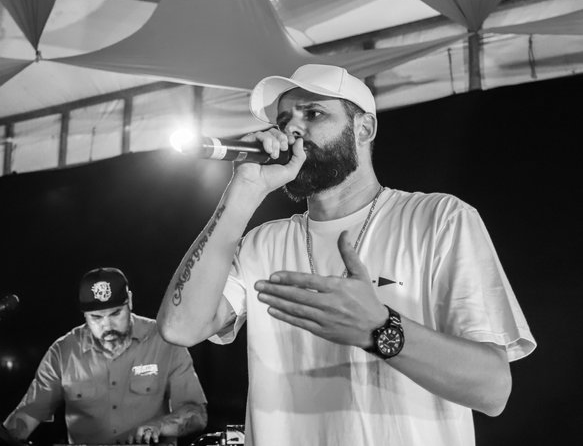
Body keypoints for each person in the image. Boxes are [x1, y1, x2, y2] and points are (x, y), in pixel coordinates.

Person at [157, 64, 536, 446]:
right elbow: (179, 328)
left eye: (313, 113)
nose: (292, 130)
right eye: (284, 121)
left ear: (364, 128)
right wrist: (243, 191)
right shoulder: (262, 244)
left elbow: (493, 390)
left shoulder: (439, 219)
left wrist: (380, 329)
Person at [5, 267, 207, 444]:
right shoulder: (63, 352)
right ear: (84, 314)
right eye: (96, 318)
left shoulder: (164, 341)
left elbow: (197, 414)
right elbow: (28, 415)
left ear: (130, 301)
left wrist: (159, 426)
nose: (107, 325)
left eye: (115, 314)